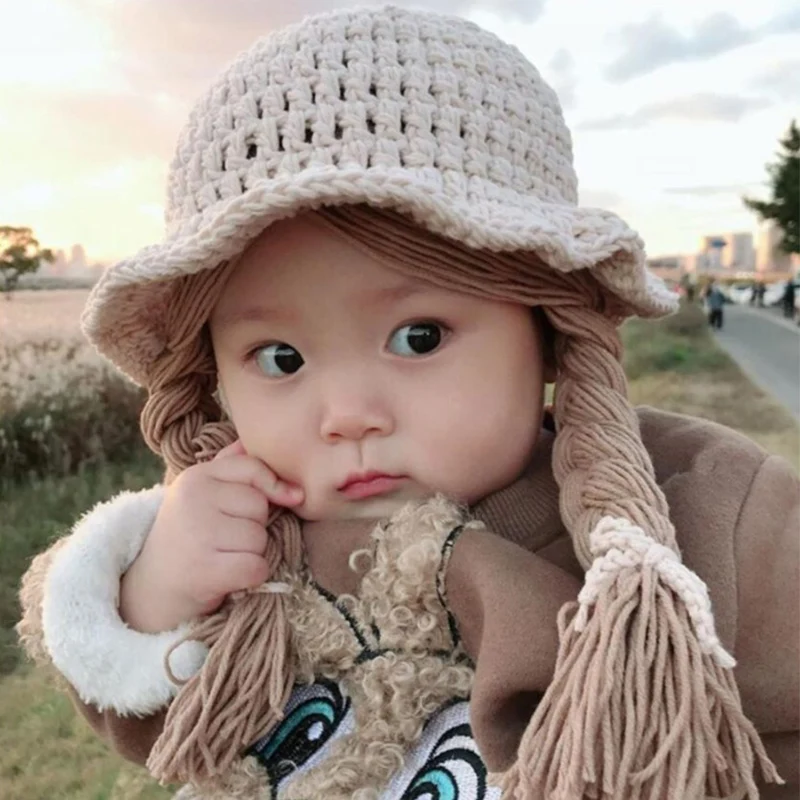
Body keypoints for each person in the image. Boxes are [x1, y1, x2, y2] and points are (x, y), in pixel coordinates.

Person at [16, 7, 799, 800]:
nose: (347, 413)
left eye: (419, 337)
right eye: (280, 358)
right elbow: (168, 733)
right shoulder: (244, 544)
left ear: (551, 323)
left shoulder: (706, 516)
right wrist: (155, 597)